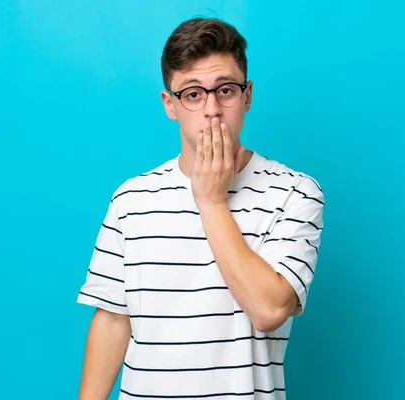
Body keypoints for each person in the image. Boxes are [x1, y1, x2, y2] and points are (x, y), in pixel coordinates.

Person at [76, 17, 325, 400]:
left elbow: (268, 309)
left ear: (247, 96)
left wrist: (210, 201)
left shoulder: (295, 192)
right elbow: (112, 320)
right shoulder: (131, 200)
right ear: (170, 105)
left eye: (225, 89)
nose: (211, 109)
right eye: (193, 94)